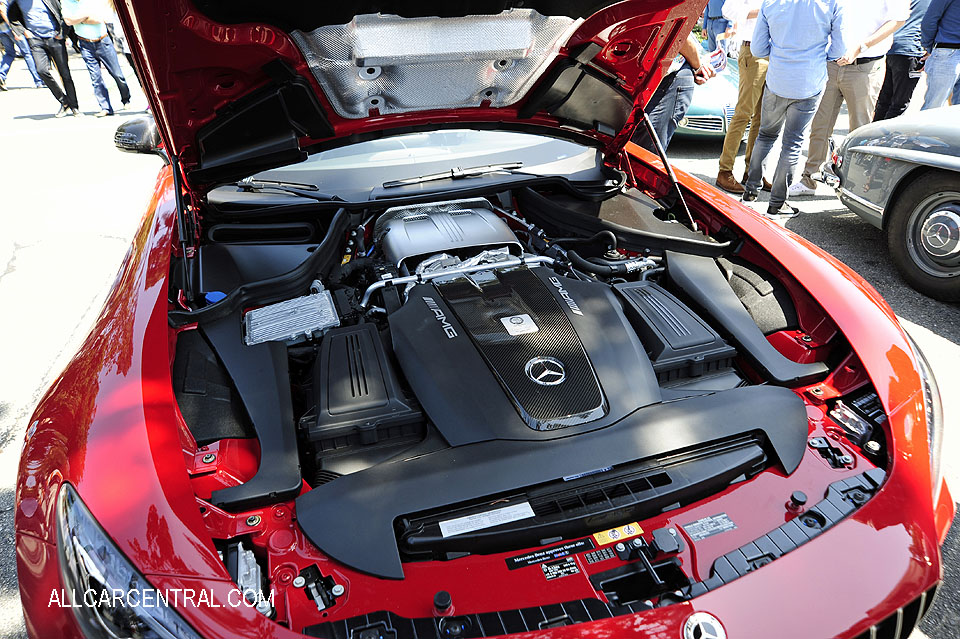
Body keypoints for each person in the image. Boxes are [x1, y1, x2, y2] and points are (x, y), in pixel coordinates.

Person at [790, 0, 909, 197]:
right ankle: (809, 179)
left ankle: (854, 186)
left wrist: (862, 46)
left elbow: (898, 20)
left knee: (860, 130)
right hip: (831, 63)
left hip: (865, 65)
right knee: (820, 125)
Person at [742, 0, 847, 219]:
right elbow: (839, 50)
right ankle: (777, 204)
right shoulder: (831, 4)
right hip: (808, 82)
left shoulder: (771, 2)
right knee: (792, 144)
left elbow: (758, 48)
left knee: (765, 136)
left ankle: (750, 194)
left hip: (777, 79)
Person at [714, 0, 769, 194]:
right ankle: (725, 171)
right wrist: (763, 11)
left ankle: (752, 172)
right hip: (753, 51)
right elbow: (727, 10)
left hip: (777, 53)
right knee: (743, 114)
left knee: (762, 118)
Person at [633, 33, 716, 152]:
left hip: (669, 79)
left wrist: (698, 66)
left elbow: (679, 35)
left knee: (646, 150)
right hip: (641, 78)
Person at [1, 0, 80, 116]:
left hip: (55, 38)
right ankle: (64, 101)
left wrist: (62, 33)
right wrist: (24, 31)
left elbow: (62, 13)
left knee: (65, 74)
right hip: (36, 40)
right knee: (41, 70)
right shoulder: (18, 2)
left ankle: (74, 106)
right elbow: (12, 16)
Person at [61, 0, 129, 116]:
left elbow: (98, 19)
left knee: (117, 74)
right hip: (85, 43)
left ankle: (126, 98)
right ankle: (105, 107)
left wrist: (78, 19)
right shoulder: (67, 2)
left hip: (103, 41)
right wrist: (86, 16)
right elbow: (68, 21)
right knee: (95, 78)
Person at [874, 0, 931, 120]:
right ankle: (885, 137)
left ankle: (872, 136)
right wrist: (930, 50)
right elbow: (932, 23)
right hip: (911, 50)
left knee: (884, 101)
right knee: (899, 105)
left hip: (891, 48)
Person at [920, 0, 960, 108]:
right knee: (933, 108)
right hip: (947, 51)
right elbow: (929, 21)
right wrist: (930, 47)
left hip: (947, 51)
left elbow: (929, 20)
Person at [0, 19, 43, 89]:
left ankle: (1, 75)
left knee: (9, 53)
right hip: (9, 26)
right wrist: (13, 29)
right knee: (27, 53)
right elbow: (2, 10)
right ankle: (39, 80)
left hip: (1, 28)